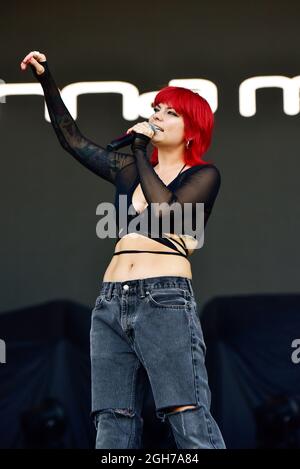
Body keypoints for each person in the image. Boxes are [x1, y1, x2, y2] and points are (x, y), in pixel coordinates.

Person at [20, 50, 226, 449]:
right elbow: (72, 139)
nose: (157, 116)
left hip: (164, 298)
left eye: (169, 112)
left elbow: (166, 213)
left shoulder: (203, 174)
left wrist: (136, 151)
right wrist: (46, 79)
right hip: (111, 302)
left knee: (188, 417)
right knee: (112, 424)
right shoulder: (128, 169)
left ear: (191, 128)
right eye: (156, 109)